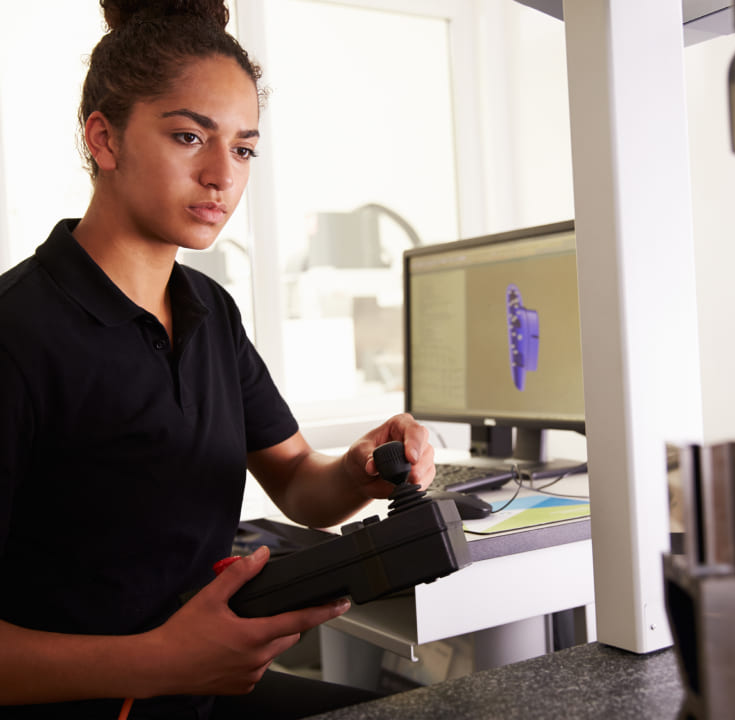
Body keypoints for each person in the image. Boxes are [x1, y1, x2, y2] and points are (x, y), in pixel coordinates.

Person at [0, 1, 435, 718]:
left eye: (242, 149)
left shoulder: (209, 310)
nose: (220, 176)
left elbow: (297, 480)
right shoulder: (18, 332)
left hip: (196, 693)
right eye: (188, 137)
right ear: (104, 139)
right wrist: (161, 661)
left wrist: (358, 469)